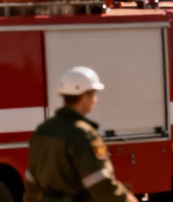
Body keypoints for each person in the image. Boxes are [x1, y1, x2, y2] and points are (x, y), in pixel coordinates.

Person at [24, 67, 138, 202]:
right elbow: (100, 184)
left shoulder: (43, 130)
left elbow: (31, 180)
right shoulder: (83, 134)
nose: (95, 100)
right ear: (84, 96)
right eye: (94, 94)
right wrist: (127, 199)